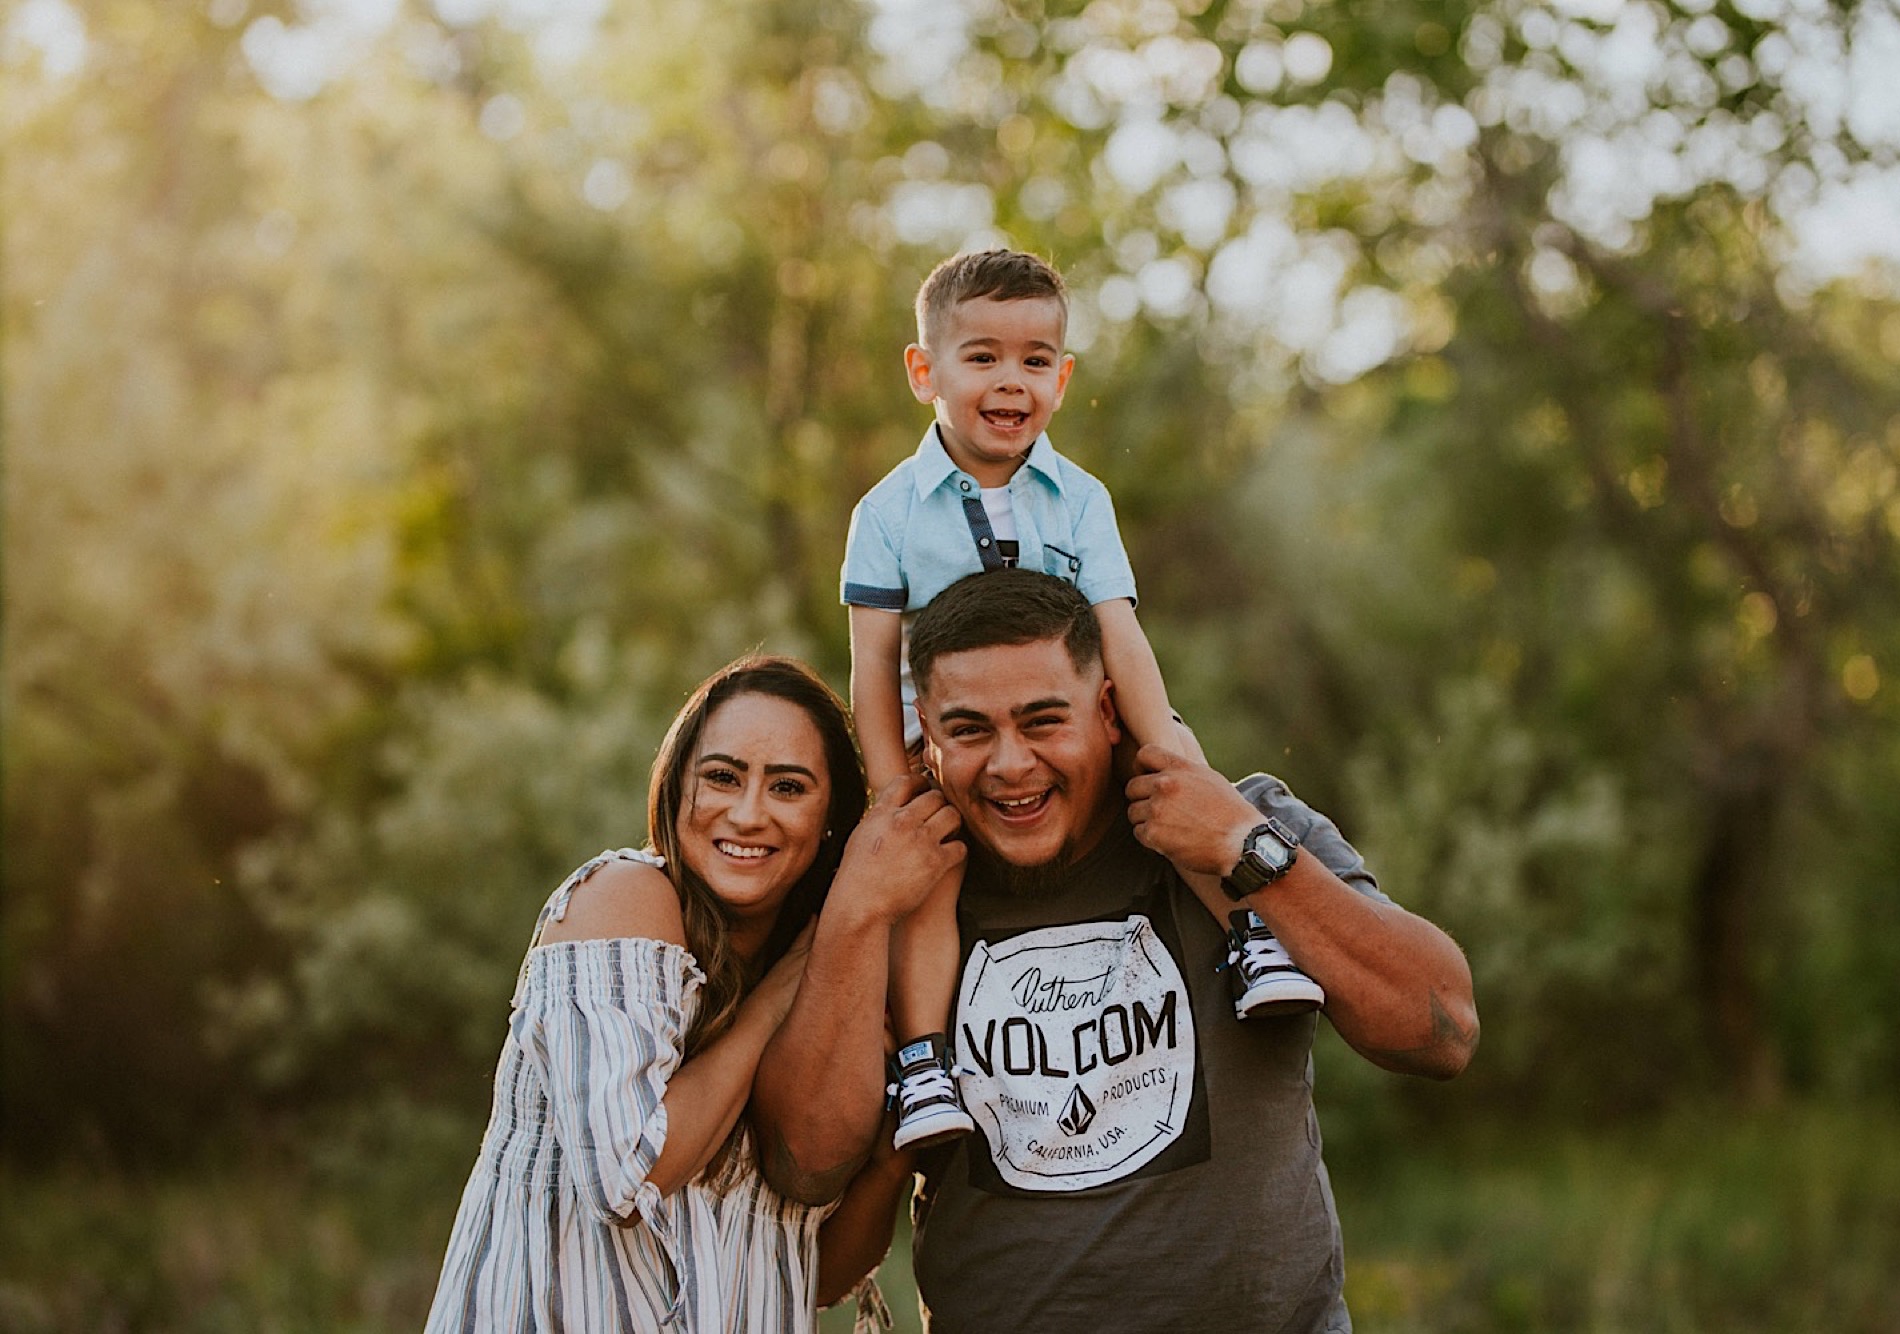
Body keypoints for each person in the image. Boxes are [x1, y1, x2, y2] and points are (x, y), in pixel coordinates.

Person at [756, 570, 1480, 1331]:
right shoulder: (901, 891)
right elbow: (805, 1166)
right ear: (924, 739)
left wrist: (1244, 848)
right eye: (970, 730)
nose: (1010, 764)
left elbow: (1443, 1030)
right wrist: (854, 912)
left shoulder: (1243, 825)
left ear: (1106, 710)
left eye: (1042, 722)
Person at [840, 249, 1321, 1153]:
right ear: (924, 371)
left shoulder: (1080, 501)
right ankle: (922, 1064)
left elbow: (1118, 632)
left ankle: (1250, 935)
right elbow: (872, 665)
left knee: (1177, 785)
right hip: (945, 739)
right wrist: (887, 785)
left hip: (1072, 719)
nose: (1008, 381)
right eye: (981, 357)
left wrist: (1162, 738)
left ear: (1061, 379)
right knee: (928, 868)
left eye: (1033, 361)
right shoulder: (888, 513)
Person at [423, 656, 961, 1333]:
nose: (747, 813)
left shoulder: (828, 979)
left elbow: (809, 1273)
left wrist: (889, 1155)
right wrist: (774, 1003)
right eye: (722, 777)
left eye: (788, 787)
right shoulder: (623, 900)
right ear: (677, 788)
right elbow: (627, 1177)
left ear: (831, 820)